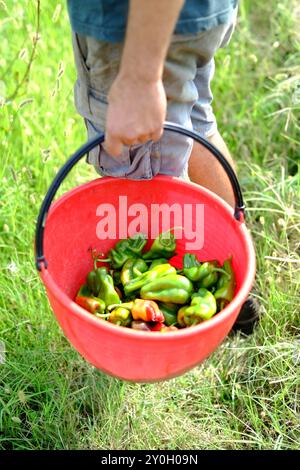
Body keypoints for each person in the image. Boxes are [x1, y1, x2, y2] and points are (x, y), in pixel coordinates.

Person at [67, 0, 260, 333]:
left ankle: (150, 341)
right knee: (193, 120)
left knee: (139, 157)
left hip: (136, 28)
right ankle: (235, 281)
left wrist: (140, 78)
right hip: (192, 14)